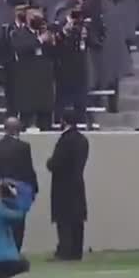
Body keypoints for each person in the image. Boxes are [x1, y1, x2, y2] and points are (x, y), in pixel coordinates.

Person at [0, 117, 39, 252]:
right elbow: (28, 170)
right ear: (19, 130)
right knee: (18, 224)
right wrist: (33, 189)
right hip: (18, 191)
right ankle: (15, 250)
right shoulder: (24, 147)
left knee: (1, 223)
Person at [47, 109, 89, 261]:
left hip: (63, 185)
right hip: (78, 184)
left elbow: (56, 163)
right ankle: (76, 251)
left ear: (63, 121)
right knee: (77, 219)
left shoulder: (65, 140)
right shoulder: (83, 140)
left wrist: (49, 163)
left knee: (64, 219)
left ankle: (65, 251)